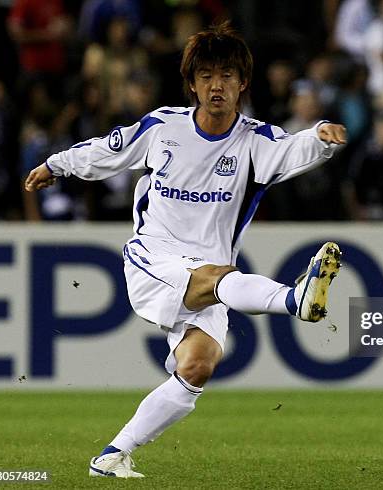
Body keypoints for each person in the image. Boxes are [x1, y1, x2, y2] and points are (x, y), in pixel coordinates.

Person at [24, 21, 347, 478]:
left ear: (243, 84)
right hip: (155, 257)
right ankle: (294, 300)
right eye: (208, 75)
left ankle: (111, 456)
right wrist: (56, 165)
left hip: (213, 274)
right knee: (219, 279)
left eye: (228, 76)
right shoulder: (163, 127)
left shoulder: (255, 141)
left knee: (197, 366)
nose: (218, 85)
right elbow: (106, 151)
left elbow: (294, 147)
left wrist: (320, 138)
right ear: (192, 83)